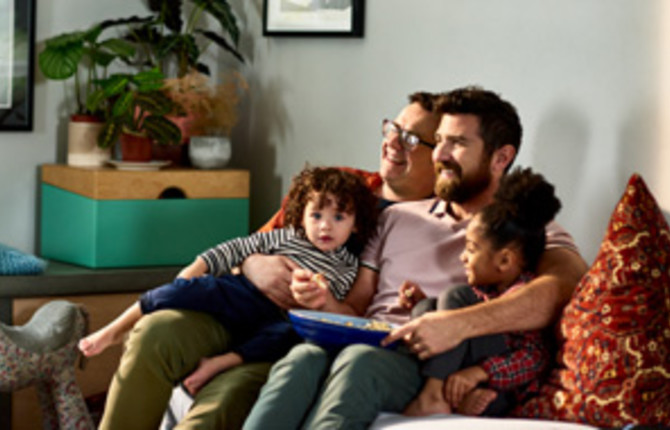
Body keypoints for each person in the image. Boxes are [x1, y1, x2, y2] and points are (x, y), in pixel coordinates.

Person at [243, 86, 588, 430]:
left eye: (458, 143)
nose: (439, 154)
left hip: (426, 360)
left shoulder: (523, 231)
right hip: (368, 338)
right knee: (300, 360)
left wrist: (456, 324)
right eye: (439, 140)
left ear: (500, 158)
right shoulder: (397, 217)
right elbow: (356, 308)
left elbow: (561, 289)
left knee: (360, 363)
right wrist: (323, 302)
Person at [98, 91, 441, 430]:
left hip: (291, 337)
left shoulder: (435, 225)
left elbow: (369, 316)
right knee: (155, 332)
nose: (393, 143)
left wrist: (323, 302)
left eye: (410, 139)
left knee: (228, 395)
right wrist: (253, 265)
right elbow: (254, 245)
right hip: (240, 305)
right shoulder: (339, 184)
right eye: (392, 129)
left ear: (439, 154)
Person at [79, 166, 377, 396]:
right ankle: (116, 329)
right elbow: (231, 250)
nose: (325, 225)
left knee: (289, 338)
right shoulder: (285, 237)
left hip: (278, 317)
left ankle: (222, 363)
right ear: (302, 216)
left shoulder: (348, 268)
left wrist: (318, 297)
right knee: (184, 291)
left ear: (355, 224)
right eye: (316, 215)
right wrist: (187, 279)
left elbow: (327, 311)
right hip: (242, 294)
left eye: (339, 217)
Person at [400, 166, 561, 417]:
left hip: (504, 389)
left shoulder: (524, 294)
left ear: (505, 261)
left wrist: (482, 372)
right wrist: (421, 304)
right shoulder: (488, 289)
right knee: (427, 308)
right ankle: (457, 398)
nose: (463, 257)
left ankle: (433, 394)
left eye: (472, 249)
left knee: (457, 297)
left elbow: (534, 358)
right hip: (470, 378)